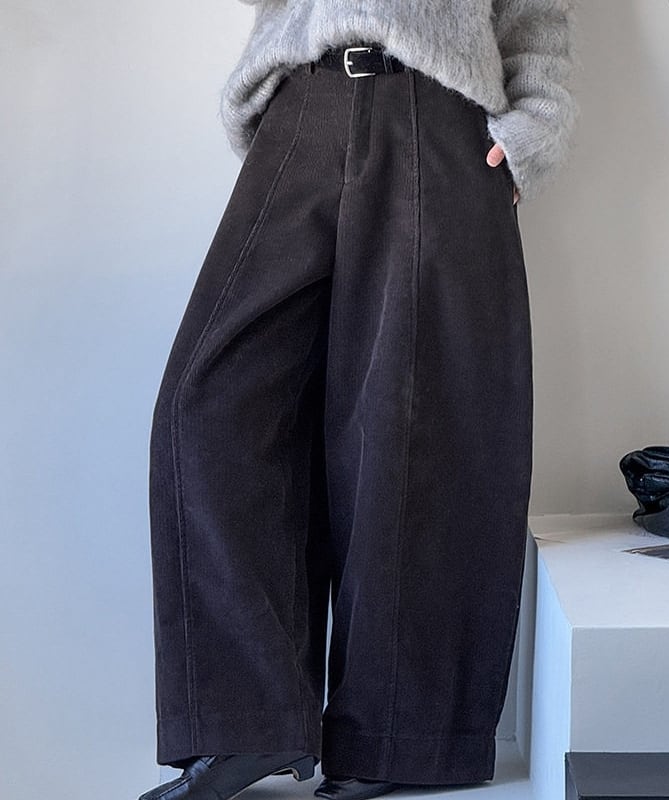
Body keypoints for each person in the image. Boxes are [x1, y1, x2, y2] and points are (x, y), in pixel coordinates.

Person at [138, 2, 577, 799]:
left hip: (441, 115)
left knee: (413, 427)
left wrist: (529, 133)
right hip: (301, 110)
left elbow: (537, 15)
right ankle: (248, 723)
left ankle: (398, 735)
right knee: (207, 405)